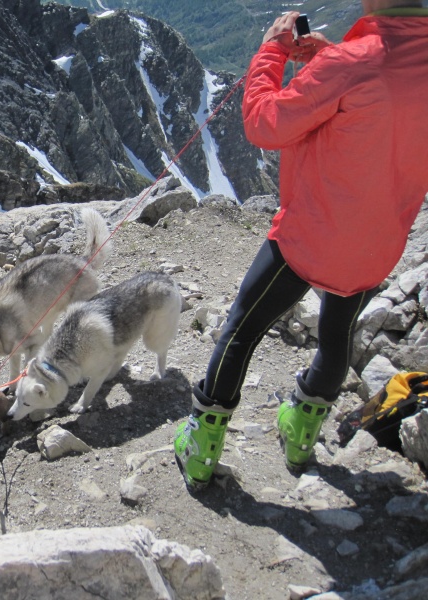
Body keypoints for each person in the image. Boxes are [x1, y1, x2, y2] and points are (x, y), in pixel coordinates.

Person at [174, 1, 428, 491]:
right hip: (377, 242)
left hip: (310, 235)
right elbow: (386, 99)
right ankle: (300, 433)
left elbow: (265, 125)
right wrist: (332, 59)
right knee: (338, 332)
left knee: (242, 328)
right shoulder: (372, 61)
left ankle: (201, 450)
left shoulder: (351, 65)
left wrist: (272, 51)